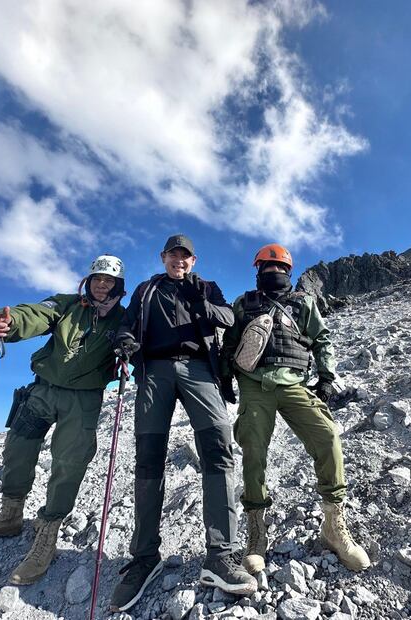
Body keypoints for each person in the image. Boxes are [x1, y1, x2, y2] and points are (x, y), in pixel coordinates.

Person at [109, 234, 256, 613]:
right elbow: (126, 325)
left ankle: (221, 554)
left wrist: (201, 302)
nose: (179, 260)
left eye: (185, 256)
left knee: (218, 449)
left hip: (199, 370)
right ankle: (145, 558)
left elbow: (229, 318)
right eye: (174, 254)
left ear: (193, 260)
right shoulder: (147, 289)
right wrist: (124, 342)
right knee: (148, 458)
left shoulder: (206, 287)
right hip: (154, 372)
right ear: (163, 257)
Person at [0, 255, 127, 586]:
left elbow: (136, 339)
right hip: (42, 390)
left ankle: (47, 535)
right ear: (88, 281)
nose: (102, 284)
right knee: (17, 450)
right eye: (97, 278)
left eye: (109, 280)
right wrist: (6, 322)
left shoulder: (123, 318)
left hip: (84, 399)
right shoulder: (66, 304)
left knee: (69, 464)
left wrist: (128, 347)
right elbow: (36, 313)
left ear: (118, 286)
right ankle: (10, 515)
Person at [220, 243, 370, 574]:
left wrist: (327, 378)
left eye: (280, 268)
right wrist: (225, 378)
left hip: (294, 384)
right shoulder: (244, 304)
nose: (274, 272)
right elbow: (230, 343)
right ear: (258, 271)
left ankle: (333, 527)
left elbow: (322, 340)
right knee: (254, 453)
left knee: (328, 436)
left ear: (289, 272)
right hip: (254, 384)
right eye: (268, 268)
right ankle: (256, 536)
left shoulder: (304, 303)